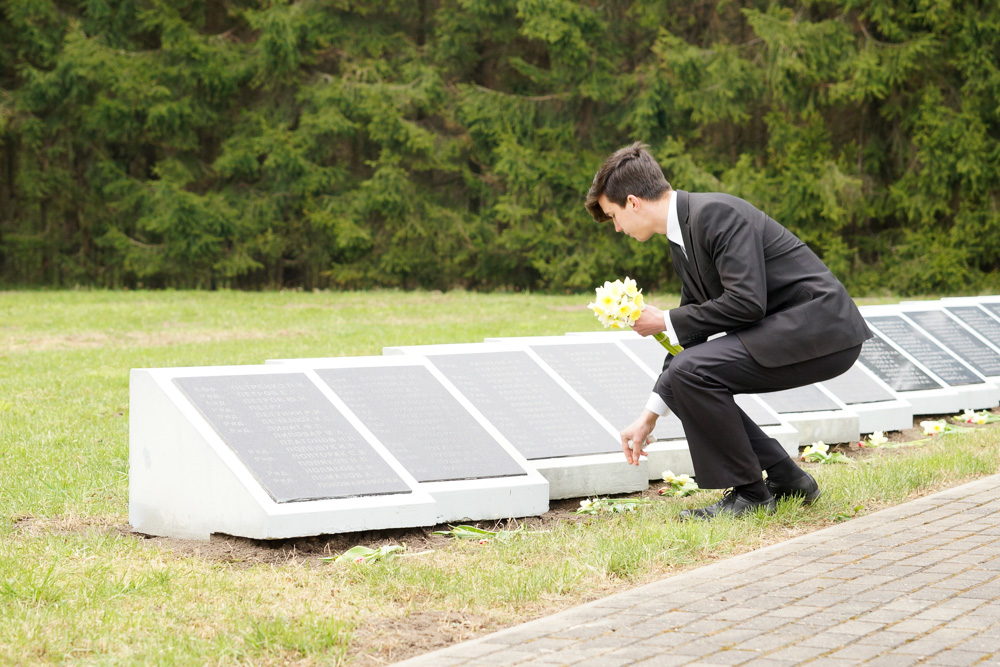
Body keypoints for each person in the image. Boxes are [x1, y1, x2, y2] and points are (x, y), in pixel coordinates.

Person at [585, 142, 872, 519]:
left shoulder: (715, 214)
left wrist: (665, 320)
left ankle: (751, 495)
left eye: (614, 215)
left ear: (634, 202)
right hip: (794, 330)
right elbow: (691, 336)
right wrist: (649, 415)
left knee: (692, 372)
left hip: (822, 328)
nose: (617, 227)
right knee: (690, 374)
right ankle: (788, 479)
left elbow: (746, 303)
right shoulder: (682, 236)